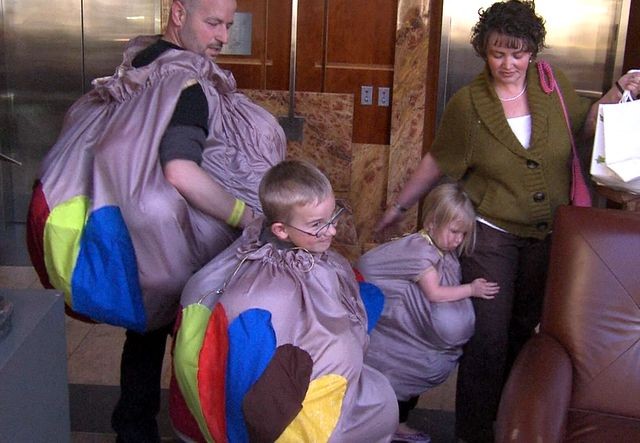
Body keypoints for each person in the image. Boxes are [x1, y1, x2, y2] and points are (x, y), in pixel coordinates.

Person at [374, 1, 640, 441]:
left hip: (550, 235)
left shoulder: (552, 86)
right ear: (484, 51)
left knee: (527, 334)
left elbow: (586, 126)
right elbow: (439, 158)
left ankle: (514, 425)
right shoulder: (468, 105)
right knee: (487, 338)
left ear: (533, 51)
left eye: (517, 53)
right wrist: (400, 206)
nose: (508, 63)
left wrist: (618, 91)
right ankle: (473, 431)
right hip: (492, 236)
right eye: (498, 53)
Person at [26, 0, 286, 441]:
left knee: (144, 336)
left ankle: (133, 429)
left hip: (137, 239)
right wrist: (246, 215)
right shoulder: (186, 85)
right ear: (179, 13)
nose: (223, 36)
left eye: (229, 24)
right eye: (213, 23)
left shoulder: (140, 62)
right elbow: (180, 170)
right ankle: (189, 426)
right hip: (174, 244)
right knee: (194, 343)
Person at [170, 160, 398, 442]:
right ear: (280, 230)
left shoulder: (310, 253)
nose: (332, 231)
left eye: (333, 217)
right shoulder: (258, 289)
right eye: (318, 224)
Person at [358, 183, 499, 443]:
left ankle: (393, 423)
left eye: (463, 234)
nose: (458, 240)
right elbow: (434, 293)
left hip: (414, 338)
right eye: (454, 231)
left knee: (408, 378)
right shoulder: (422, 254)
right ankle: (392, 426)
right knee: (401, 378)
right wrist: (471, 289)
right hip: (403, 341)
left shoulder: (439, 249)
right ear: (433, 223)